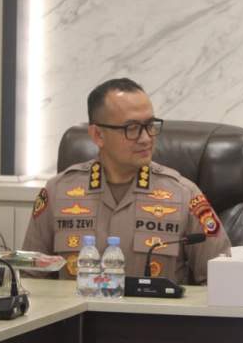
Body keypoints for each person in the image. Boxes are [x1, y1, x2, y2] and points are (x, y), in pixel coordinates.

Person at [22, 78, 230, 284]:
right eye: (131, 128)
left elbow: (221, 279)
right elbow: (30, 278)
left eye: (150, 125)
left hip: (153, 308)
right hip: (77, 307)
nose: (146, 138)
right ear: (98, 135)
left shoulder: (184, 194)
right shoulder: (57, 192)